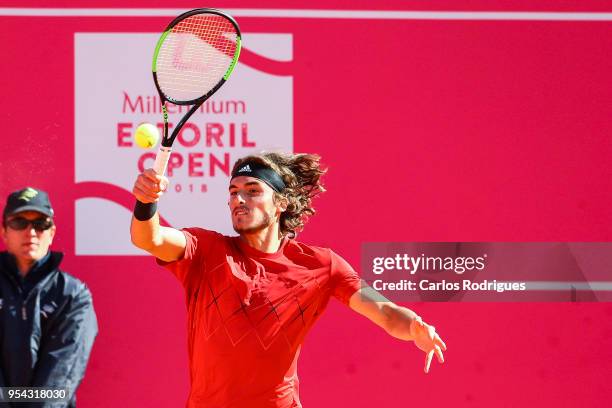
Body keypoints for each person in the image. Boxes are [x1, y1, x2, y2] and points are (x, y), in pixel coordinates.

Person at [131, 153, 446, 407]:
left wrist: (415, 325)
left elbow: (387, 313)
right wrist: (147, 201)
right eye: (233, 192)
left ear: (281, 203)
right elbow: (151, 238)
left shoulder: (321, 265)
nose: (239, 199)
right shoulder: (205, 250)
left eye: (252, 191)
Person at [0, 187, 98, 407]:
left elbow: (59, 382)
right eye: (19, 223)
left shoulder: (73, 295)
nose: (31, 232)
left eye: (40, 224)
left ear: (52, 232)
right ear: (4, 232)